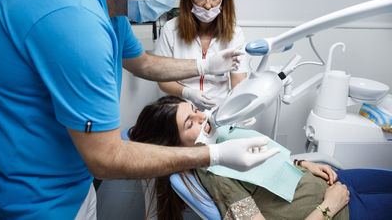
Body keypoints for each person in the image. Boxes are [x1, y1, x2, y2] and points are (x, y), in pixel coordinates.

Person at [0, 0, 280, 218]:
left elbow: (142, 62)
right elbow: (105, 159)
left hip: (73, 181)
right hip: (34, 199)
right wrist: (214, 155)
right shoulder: (77, 21)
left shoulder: (107, 8)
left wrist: (204, 66)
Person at [129, 95, 392, 220]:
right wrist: (329, 207)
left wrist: (303, 164)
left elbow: (265, 166)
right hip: (340, 209)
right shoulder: (217, 176)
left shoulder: (222, 137)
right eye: (190, 123)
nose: (203, 117)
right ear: (176, 147)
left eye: (196, 110)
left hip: (333, 181)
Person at [154, 0, 248, 111]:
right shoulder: (171, 29)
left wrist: (238, 111)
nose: (208, 5)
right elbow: (163, 80)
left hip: (218, 114)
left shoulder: (234, 33)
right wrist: (188, 93)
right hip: (181, 114)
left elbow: (238, 82)